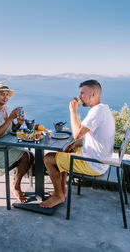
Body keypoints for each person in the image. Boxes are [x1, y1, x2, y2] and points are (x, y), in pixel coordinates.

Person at [40, 79, 115, 208]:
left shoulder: (97, 112)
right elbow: (93, 137)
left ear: (93, 94)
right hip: (98, 159)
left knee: (48, 158)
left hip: (94, 164)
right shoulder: (103, 109)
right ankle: (62, 191)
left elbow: (76, 133)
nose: (79, 96)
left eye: (82, 93)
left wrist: (73, 111)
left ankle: (58, 196)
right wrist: (77, 143)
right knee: (65, 151)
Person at [0, 81, 34, 203]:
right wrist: (11, 118)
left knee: (31, 156)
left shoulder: (6, 108)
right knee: (25, 156)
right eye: (2, 94)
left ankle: (15, 182)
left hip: (6, 146)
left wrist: (19, 123)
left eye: (7, 95)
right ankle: (16, 187)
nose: (6, 97)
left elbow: (11, 129)